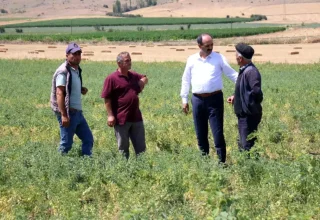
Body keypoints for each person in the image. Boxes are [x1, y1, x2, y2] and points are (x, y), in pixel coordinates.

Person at [180, 33, 238, 163]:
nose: (210, 47)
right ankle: (204, 163)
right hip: (197, 100)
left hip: (214, 100)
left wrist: (240, 87)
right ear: (199, 46)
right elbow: (185, 79)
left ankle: (222, 163)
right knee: (200, 134)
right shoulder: (192, 59)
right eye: (207, 45)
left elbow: (233, 75)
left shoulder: (219, 58)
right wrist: (184, 99)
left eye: (212, 44)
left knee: (217, 134)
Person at [101, 52, 148, 159]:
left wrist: (141, 83)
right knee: (123, 149)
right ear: (119, 63)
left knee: (141, 149)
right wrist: (110, 115)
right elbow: (107, 98)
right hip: (121, 118)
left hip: (136, 118)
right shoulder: (111, 78)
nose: (130, 62)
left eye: (130, 60)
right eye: (127, 61)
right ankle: (124, 170)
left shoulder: (133, 75)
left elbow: (144, 77)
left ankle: (142, 169)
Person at [50, 42, 94, 156]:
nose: (77, 56)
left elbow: (68, 87)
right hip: (69, 112)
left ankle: (87, 163)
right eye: (74, 54)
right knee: (66, 143)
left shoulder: (76, 69)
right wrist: (64, 115)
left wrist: (80, 89)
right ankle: (57, 164)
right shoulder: (63, 71)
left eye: (79, 53)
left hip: (78, 112)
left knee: (88, 139)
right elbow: (59, 93)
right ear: (67, 55)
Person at [227, 43, 263, 151]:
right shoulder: (244, 69)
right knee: (243, 142)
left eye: (235, 56)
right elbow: (245, 89)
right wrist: (235, 97)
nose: (235, 58)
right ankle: (247, 163)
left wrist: (250, 105)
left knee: (247, 144)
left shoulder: (251, 71)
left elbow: (257, 92)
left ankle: (251, 165)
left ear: (240, 58)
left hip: (248, 115)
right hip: (244, 114)